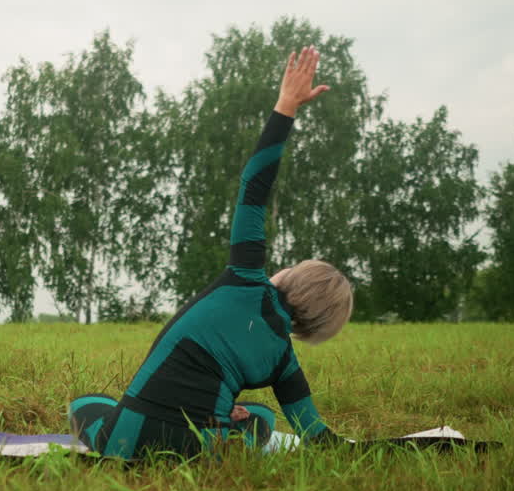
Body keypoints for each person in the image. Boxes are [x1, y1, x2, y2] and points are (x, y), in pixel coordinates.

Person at [68, 45, 354, 459]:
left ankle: (213, 417)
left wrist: (286, 105)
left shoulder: (246, 277)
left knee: (87, 404)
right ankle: (227, 420)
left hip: (124, 443)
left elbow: (255, 186)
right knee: (262, 417)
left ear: (289, 278)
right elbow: (318, 436)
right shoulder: (284, 363)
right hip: (198, 453)